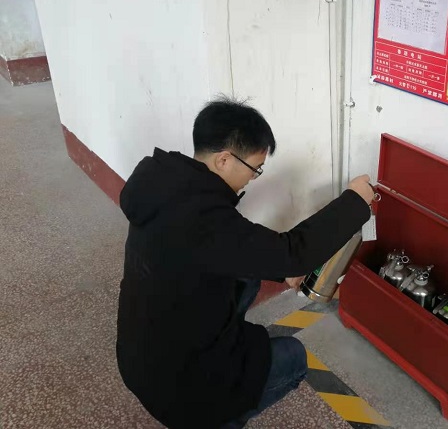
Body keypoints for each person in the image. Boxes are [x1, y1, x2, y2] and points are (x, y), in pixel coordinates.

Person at [116, 97, 374, 429]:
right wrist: (355, 202)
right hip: (180, 387)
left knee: (248, 278)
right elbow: (293, 252)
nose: (253, 178)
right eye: (254, 168)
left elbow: (241, 250)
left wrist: (283, 270)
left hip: (140, 353)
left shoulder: (166, 184)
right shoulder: (204, 220)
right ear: (224, 159)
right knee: (295, 357)